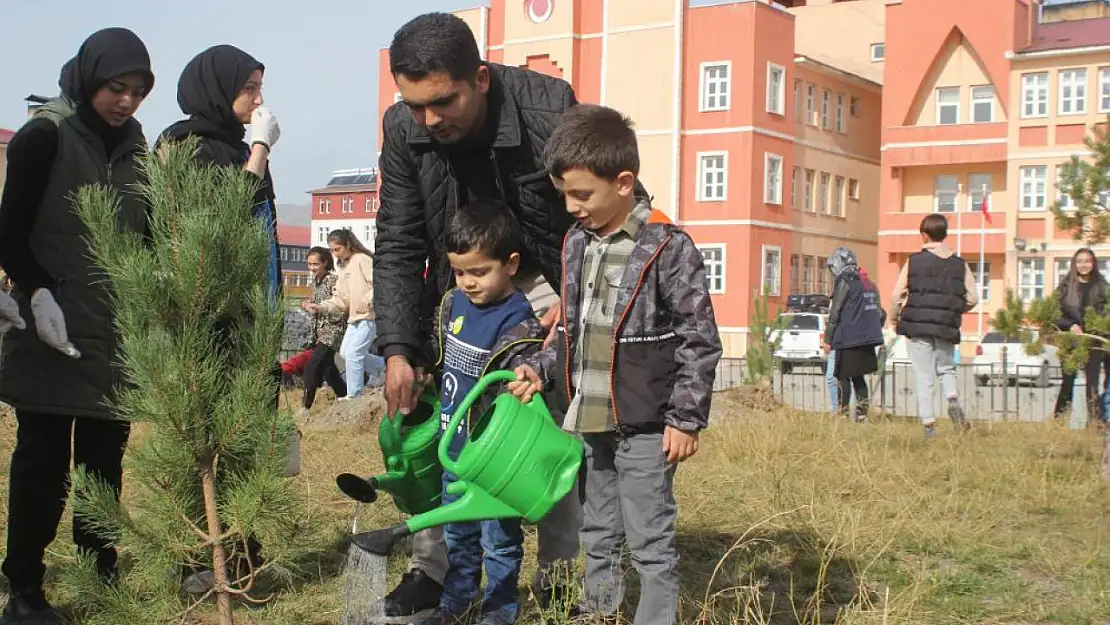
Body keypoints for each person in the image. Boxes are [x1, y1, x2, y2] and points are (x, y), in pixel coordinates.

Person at [375, 12, 638, 615]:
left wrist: (574, 314)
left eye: (442, 102)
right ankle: (435, 568)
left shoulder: (548, 108)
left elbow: (601, 212)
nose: (429, 120)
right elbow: (397, 240)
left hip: (546, 280)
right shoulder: (404, 129)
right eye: (415, 106)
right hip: (459, 285)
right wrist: (398, 347)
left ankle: (560, 574)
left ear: (482, 79)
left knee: (552, 425)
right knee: (443, 427)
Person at [508, 104, 722, 625]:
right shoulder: (577, 244)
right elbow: (573, 329)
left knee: (649, 536)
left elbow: (700, 338)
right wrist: (542, 365)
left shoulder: (667, 248)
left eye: (582, 194)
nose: (571, 205)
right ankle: (598, 612)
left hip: (647, 422)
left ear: (623, 182)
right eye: (565, 194)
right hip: (592, 417)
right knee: (598, 528)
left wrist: (685, 417)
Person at [0, 27, 154, 625]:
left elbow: (145, 237)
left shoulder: (138, 147)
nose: (127, 101)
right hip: (51, 329)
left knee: (103, 467)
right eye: (117, 88)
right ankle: (26, 591)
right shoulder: (46, 135)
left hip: (114, 333)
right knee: (41, 464)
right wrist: (35, 288)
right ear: (90, 79)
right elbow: (10, 228)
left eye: (139, 91)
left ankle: (99, 580)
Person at [417, 199, 548, 625]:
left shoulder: (519, 320)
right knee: (459, 533)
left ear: (510, 264)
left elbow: (521, 379)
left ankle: (499, 609)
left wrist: (524, 379)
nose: (468, 282)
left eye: (479, 272)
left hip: (494, 459)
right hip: (454, 450)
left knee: (499, 540)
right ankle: (457, 601)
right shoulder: (452, 304)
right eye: (459, 272)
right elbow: (442, 358)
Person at [158, 44, 282, 302]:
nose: (259, 100)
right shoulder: (186, 146)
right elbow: (226, 219)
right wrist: (261, 147)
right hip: (211, 306)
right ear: (219, 89)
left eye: (260, 88)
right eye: (249, 88)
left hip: (254, 311)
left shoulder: (239, 150)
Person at [890, 214, 978, 437]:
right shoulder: (960, 264)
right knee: (946, 369)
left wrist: (894, 318)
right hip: (946, 326)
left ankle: (929, 426)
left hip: (918, 328)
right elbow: (973, 298)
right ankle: (952, 398)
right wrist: (954, 309)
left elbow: (896, 295)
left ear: (924, 235)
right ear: (945, 234)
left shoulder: (914, 261)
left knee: (924, 376)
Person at [303, 229, 384, 398]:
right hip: (354, 318)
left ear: (348, 245)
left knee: (354, 354)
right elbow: (340, 298)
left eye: (337, 249)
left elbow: (378, 282)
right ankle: (384, 367)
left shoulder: (362, 259)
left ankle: (354, 395)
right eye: (332, 250)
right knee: (346, 353)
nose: (335, 254)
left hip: (369, 316)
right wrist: (320, 307)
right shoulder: (344, 268)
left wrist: (368, 300)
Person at [824, 249, 885, 422]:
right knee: (859, 378)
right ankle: (861, 415)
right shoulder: (868, 281)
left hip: (848, 337)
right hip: (866, 338)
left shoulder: (844, 281)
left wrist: (828, 339)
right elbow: (879, 312)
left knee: (842, 377)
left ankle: (842, 415)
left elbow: (835, 312)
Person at [1051, 248, 1109, 422]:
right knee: (1068, 382)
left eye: (1087, 261)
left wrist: (1097, 326)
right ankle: (1059, 423)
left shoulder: (1102, 286)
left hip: (1094, 341)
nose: (1083, 265)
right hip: (1071, 341)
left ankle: (1093, 425)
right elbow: (1054, 313)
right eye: (1080, 261)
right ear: (1074, 264)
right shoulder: (1065, 286)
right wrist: (1071, 325)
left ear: (1093, 263)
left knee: (1092, 384)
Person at [298, 246, 348, 412]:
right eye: (309, 264)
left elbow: (339, 306)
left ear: (325, 263)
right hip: (320, 331)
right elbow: (316, 303)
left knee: (312, 366)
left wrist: (318, 307)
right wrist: (308, 305)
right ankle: (344, 397)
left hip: (333, 330)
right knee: (328, 368)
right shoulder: (315, 282)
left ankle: (305, 407)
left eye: (315, 264)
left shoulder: (333, 281)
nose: (312, 268)